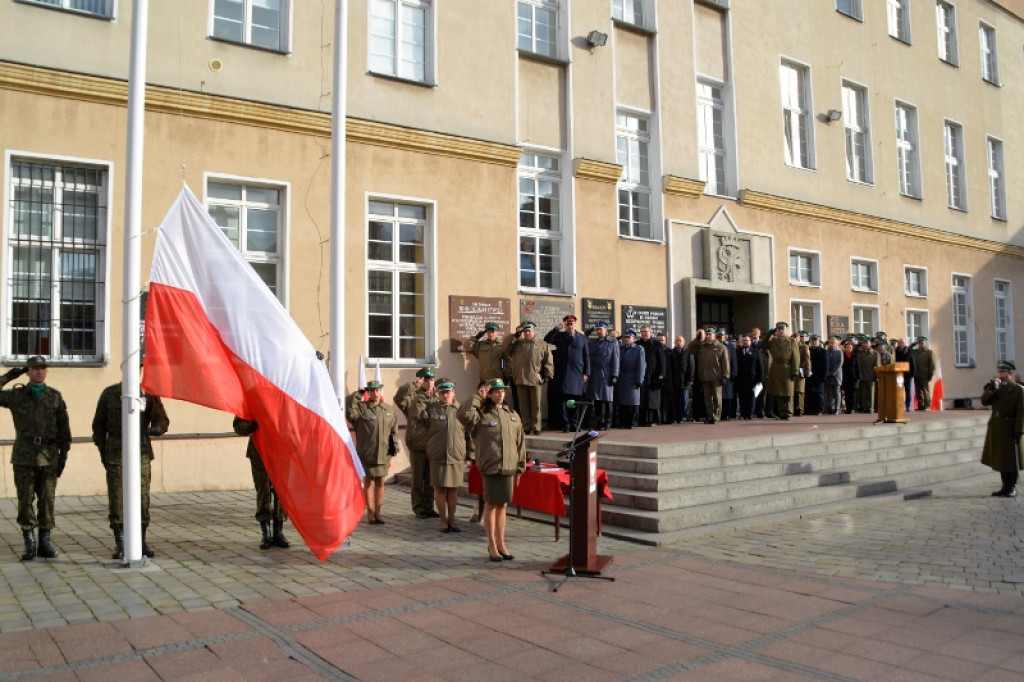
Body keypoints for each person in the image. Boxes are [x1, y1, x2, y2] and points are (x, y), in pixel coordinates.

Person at [0, 356, 71, 561]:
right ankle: (29, 542)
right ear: (28, 371)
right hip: (24, 456)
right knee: (25, 500)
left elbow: (63, 427)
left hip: (49, 456)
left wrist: (64, 453)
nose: (40, 372)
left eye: (43, 368)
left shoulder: (54, 396)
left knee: (47, 500)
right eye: (35, 369)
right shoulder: (18, 395)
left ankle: (45, 542)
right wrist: (10, 375)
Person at [94, 382, 170, 559]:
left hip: (141, 453)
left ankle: (140, 541)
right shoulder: (110, 393)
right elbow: (98, 426)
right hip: (116, 453)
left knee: (142, 499)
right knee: (117, 499)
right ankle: (120, 543)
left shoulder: (148, 392)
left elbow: (162, 419)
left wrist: (156, 429)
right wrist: (104, 452)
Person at [457, 380, 526, 561]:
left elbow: (520, 443)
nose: (500, 395)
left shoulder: (512, 414)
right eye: (495, 392)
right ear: (488, 394)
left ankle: (501, 542)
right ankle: (491, 544)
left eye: (502, 391)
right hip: (491, 465)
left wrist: (520, 468)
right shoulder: (480, 414)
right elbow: (462, 414)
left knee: (503, 504)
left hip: (508, 466)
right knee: (491, 504)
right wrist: (477, 397)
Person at [415, 379, 468, 533]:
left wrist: (470, 455)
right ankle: (443, 520)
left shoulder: (460, 410)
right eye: (443, 392)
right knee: (439, 489)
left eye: (448, 392)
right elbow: (417, 414)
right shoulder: (431, 409)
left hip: (456, 455)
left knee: (453, 489)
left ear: (454, 393)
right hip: (438, 454)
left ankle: (452, 519)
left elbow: (468, 434)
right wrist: (423, 395)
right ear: (438, 394)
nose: (446, 395)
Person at [232, 417, 292, 548]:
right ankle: (266, 533)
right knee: (263, 491)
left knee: (280, 492)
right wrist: (250, 426)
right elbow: (238, 426)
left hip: (281, 450)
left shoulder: (283, 398)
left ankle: (278, 531)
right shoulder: (253, 400)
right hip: (259, 451)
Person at [347, 380, 398, 524]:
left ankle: (378, 512)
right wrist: (359, 393)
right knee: (368, 482)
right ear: (368, 392)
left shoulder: (388, 409)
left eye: (378, 390)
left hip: (383, 453)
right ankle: (369, 511)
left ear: (381, 391)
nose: (375, 394)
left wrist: (393, 452)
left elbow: (393, 432)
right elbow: (348, 408)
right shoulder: (362, 408)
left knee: (381, 482)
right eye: (372, 391)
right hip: (367, 452)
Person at [394, 368, 439, 519]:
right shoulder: (412, 397)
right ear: (420, 380)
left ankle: (429, 506)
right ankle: (419, 507)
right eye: (426, 379)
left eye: (431, 379)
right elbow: (398, 397)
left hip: (433, 443)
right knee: (418, 479)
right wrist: (413, 386)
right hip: (418, 443)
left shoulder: (438, 396)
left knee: (430, 479)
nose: (429, 382)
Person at [980, 362, 1024, 497]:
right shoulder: (996, 388)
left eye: (1003, 372)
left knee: (1011, 459)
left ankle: (1012, 486)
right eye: (999, 372)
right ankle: (1004, 486)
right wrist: (990, 390)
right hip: (997, 428)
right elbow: (985, 401)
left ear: (1010, 374)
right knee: (1001, 459)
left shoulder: (1018, 390)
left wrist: (1019, 431)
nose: (1001, 375)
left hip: (1010, 427)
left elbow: (1021, 413)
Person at [504, 322, 552, 435]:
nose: (527, 333)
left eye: (529, 330)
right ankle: (526, 426)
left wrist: (548, 375)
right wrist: (515, 335)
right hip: (520, 378)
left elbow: (548, 361)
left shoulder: (541, 344)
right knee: (523, 405)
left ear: (534, 331)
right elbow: (505, 347)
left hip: (535, 378)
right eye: (525, 331)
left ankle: (536, 427)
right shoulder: (517, 344)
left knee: (536, 405)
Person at [544, 315, 590, 432]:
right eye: (568, 324)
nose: (570, 326)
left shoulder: (582, 338)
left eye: (572, 324)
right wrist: (556, 329)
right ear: (565, 325)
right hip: (563, 372)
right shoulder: (560, 336)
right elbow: (547, 339)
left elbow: (586, 356)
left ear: (575, 325)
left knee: (575, 399)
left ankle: (575, 424)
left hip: (577, 372)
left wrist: (586, 372)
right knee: (563, 401)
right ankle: (566, 424)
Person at [585, 321, 619, 431]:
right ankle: (600, 421)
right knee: (597, 399)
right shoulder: (593, 342)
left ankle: (608, 421)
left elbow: (616, 359)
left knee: (608, 399)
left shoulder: (613, 342)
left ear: (606, 330)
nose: (599, 331)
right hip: (595, 373)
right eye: (597, 329)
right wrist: (586, 335)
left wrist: (615, 375)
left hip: (607, 373)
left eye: (601, 329)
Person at [764, 323, 799, 420]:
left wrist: (795, 371)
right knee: (778, 391)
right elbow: (762, 345)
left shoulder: (791, 341)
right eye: (778, 329)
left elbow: (796, 356)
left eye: (782, 329)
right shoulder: (773, 341)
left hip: (787, 367)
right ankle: (781, 412)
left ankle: (788, 412)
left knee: (788, 391)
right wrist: (768, 335)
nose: (781, 331)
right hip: (776, 367)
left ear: (786, 330)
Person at [697, 326, 729, 424]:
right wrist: (698, 338)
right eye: (706, 334)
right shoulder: (703, 346)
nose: (708, 336)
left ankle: (716, 416)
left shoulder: (721, 347)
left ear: (715, 335)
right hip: (705, 376)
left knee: (717, 398)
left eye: (710, 334)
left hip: (716, 376)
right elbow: (691, 347)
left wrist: (725, 375)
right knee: (707, 399)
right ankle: (710, 416)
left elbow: (725, 363)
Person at [615, 330, 646, 429]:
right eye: (625, 337)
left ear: (634, 339)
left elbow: (641, 365)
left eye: (629, 337)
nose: (626, 339)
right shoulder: (620, 348)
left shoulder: (638, 349)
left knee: (633, 402)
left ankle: (633, 422)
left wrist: (639, 380)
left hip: (633, 377)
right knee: (622, 402)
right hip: (622, 378)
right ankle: (623, 422)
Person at [636, 326, 665, 427]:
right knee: (642, 398)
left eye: (646, 331)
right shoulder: (637, 344)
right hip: (641, 374)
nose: (644, 333)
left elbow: (662, 360)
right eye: (642, 332)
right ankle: (642, 420)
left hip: (653, 375)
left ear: (651, 332)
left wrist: (661, 374)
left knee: (652, 399)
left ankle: (653, 420)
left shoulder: (657, 344)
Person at [733, 333, 763, 420]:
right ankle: (743, 413)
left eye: (747, 340)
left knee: (751, 397)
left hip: (752, 378)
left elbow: (760, 366)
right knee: (742, 397)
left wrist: (760, 379)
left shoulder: (756, 352)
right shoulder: (737, 351)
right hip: (740, 378)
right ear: (741, 342)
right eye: (743, 341)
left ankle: (750, 413)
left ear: (750, 341)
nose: (745, 342)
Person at [669, 335, 695, 423]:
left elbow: (691, 367)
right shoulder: (671, 353)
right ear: (674, 342)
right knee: (676, 400)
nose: (678, 342)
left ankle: (684, 416)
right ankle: (677, 417)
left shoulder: (688, 353)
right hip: (675, 381)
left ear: (684, 343)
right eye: (677, 340)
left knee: (684, 400)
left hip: (684, 381)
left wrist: (690, 379)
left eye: (680, 340)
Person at [856, 336, 881, 414]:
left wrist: (876, 376)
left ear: (870, 344)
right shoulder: (859, 353)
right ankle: (864, 407)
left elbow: (877, 366)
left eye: (867, 343)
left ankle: (871, 407)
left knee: (871, 394)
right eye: (864, 343)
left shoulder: (875, 353)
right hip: (862, 376)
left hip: (871, 376)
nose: (865, 344)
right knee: (863, 393)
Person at [911, 337, 937, 410]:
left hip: (924, 374)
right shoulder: (915, 352)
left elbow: (932, 365)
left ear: (925, 343)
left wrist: (930, 375)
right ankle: (920, 405)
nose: (920, 344)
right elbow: (909, 350)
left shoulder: (929, 352)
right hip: (916, 374)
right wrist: (913, 344)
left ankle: (927, 405)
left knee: (925, 391)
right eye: (919, 343)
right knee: (918, 391)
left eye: (922, 342)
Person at [805, 335, 827, 416]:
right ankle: (810, 409)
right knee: (810, 393)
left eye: (815, 340)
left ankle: (819, 409)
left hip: (819, 376)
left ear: (819, 342)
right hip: (810, 375)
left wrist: (823, 377)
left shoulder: (823, 352)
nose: (814, 342)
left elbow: (825, 366)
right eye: (812, 341)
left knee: (818, 394)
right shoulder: (809, 350)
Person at [894, 338, 917, 411]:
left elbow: (913, 363)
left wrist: (912, 374)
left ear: (905, 343)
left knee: (908, 391)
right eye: (900, 342)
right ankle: (900, 405)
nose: (901, 344)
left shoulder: (909, 351)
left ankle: (908, 405)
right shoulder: (895, 351)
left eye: (902, 342)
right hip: (899, 375)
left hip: (908, 375)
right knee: (899, 391)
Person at [824, 336, 844, 415]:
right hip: (828, 374)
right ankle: (831, 407)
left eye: (833, 343)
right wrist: (827, 372)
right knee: (830, 392)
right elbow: (825, 363)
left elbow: (840, 363)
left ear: (836, 344)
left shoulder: (839, 352)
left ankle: (837, 408)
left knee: (836, 391)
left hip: (836, 375)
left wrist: (834, 372)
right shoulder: (827, 352)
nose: (831, 344)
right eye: (830, 343)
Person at [793, 331, 811, 416]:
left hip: (800, 371)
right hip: (791, 371)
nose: (794, 339)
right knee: (792, 391)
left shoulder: (804, 347)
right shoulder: (790, 346)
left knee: (799, 391)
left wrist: (807, 372)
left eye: (796, 338)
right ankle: (793, 409)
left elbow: (807, 360)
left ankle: (800, 409)